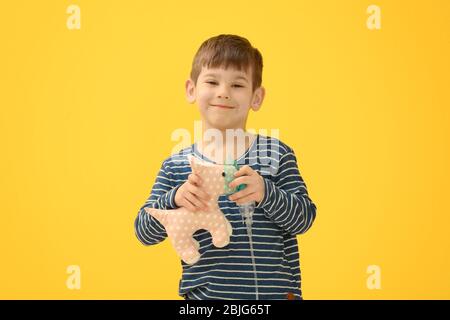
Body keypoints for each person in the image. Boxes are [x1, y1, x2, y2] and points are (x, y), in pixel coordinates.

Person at [134, 34, 317, 300]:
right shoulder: (176, 165)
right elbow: (144, 232)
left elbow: (304, 219)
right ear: (191, 89)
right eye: (212, 81)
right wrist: (174, 198)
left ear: (256, 97)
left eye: (237, 85)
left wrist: (266, 192)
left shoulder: (276, 154)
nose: (223, 92)